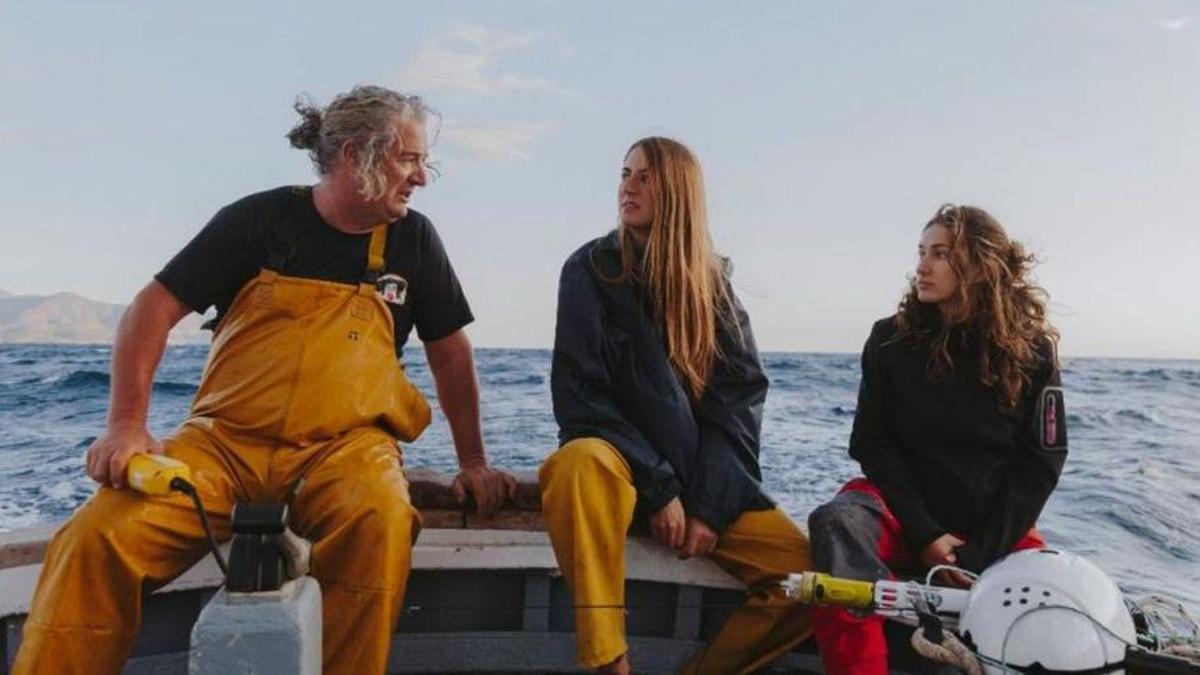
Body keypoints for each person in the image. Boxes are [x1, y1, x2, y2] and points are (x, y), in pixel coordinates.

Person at [13, 85, 516, 675]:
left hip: (345, 451)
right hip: (222, 445)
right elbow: (151, 310)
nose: (421, 177)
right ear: (354, 154)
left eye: (423, 162)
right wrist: (126, 425)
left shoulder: (415, 240)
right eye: (408, 159)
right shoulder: (257, 220)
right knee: (98, 536)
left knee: (379, 519)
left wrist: (473, 461)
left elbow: (450, 354)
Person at [539, 136, 812, 675]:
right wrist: (659, 487)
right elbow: (580, 398)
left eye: (645, 177)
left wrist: (707, 507)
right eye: (625, 174)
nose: (628, 187)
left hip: (697, 482)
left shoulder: (712, 287)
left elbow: (738, 404)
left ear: (679, 192)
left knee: (803, 579)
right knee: (576, 463)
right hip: (623, 470)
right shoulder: (590, 268)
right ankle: (609, 661)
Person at [807, 204, 1068, 674]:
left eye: (941, 254)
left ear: (981, 266)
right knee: (835, 522)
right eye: (922, 252)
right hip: (897, 511)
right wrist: (926, 534)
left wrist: (979, 554)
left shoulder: (1034, 352)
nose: (923, 266)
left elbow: (1043, 460)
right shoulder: (889, 339)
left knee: (1059, 590)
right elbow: (870, 442)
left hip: (990, 524)